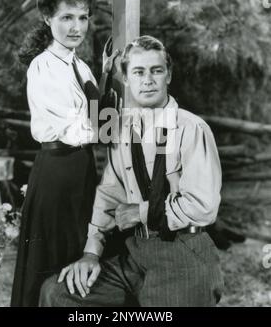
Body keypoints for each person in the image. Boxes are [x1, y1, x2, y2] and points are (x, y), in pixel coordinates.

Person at [39, 35, 224, 307]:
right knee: (58, 294)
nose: (148, 80)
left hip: (184, 252)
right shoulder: (123, 130)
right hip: (135, 254)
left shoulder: (191, 128)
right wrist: (91, 253)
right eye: (138, 72)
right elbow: (110, 194)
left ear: (168, 75)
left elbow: (203, 206)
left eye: (156, 71)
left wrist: (140, 212)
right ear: (126, 78)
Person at [11, 0, 117, 307]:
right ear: (47, 18)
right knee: (53, 266)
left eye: (83, 17)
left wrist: (105, 80)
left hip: (80, 169)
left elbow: (101, 126)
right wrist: (106, 116)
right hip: (57, 173)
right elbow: (87, 130)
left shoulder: (79, 65)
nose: (76, 27)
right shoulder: (44, 67)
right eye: (66, 18)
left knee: (79, 260)